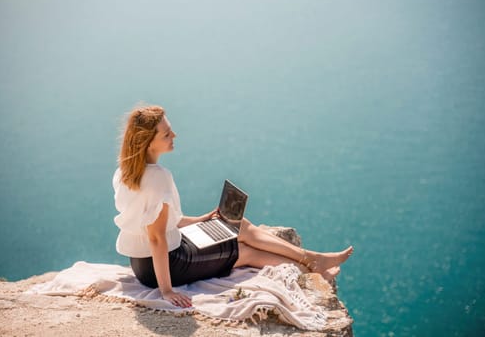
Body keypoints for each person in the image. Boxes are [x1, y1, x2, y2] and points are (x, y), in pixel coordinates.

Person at [113, 105, 354, 308]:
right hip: (167, 265)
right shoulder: (158, 177)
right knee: (245, 252)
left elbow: (156, 223)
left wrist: (200, 220)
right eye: (166, 134)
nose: (174, 135)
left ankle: (311, 258)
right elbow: (156, 238)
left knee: (239, 226)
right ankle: (313, 269)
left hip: (141, 263)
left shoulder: (126, 172)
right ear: (148, 143)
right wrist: (167, 291)